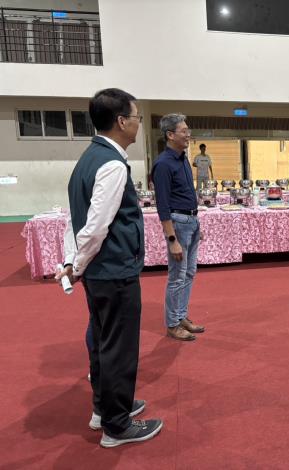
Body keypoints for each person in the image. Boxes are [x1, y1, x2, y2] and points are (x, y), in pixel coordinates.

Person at [56, 88, 163, 447]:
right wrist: (76, 265)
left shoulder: (88, 158)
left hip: (100, 272)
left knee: (104, 342)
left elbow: (75, 220)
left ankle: (105, 409)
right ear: (121, 121)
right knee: (119, 347)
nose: (138, 124)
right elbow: (95, 227)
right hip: (114, 270)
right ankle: (117, 427)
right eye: (136, 117)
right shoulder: (113, 165)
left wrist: (74, 262)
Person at [152, 113, 205, 341]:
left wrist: (196, 223)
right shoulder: (163, 164)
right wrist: (171, 239)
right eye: (184, 131)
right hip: (178, 225)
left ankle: (181, 316)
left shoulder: (183, 158)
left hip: (191, 221)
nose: (188, 134)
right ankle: (172, 323)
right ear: (170, 135)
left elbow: (187, 193)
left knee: (190, 272)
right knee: (177, 276)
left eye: (187, 130)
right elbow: (163, 205)